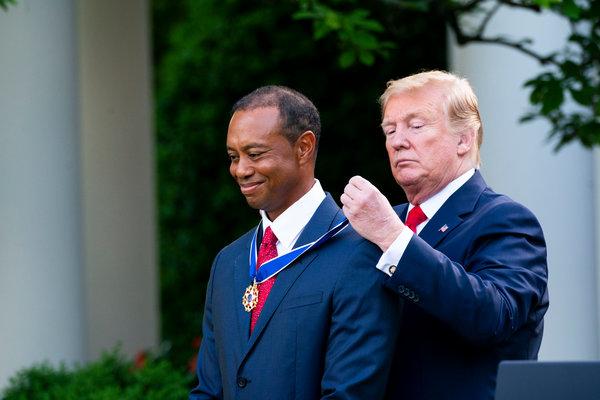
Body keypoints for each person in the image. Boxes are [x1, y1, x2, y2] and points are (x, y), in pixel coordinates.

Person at [341, 70, 549, 400]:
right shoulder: (380, 224)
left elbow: (492, 317)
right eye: (390, 130)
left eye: (416, 125)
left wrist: (394, 239)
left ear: (464, 139)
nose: (397, 141)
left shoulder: (506, 219)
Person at [190, 85, 398, 400]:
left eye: (255, 154)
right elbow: (208, 390)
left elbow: (349, 394)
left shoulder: (360, 254)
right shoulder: (228, 261)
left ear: (303, 147)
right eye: (234, 157)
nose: (241, 170)